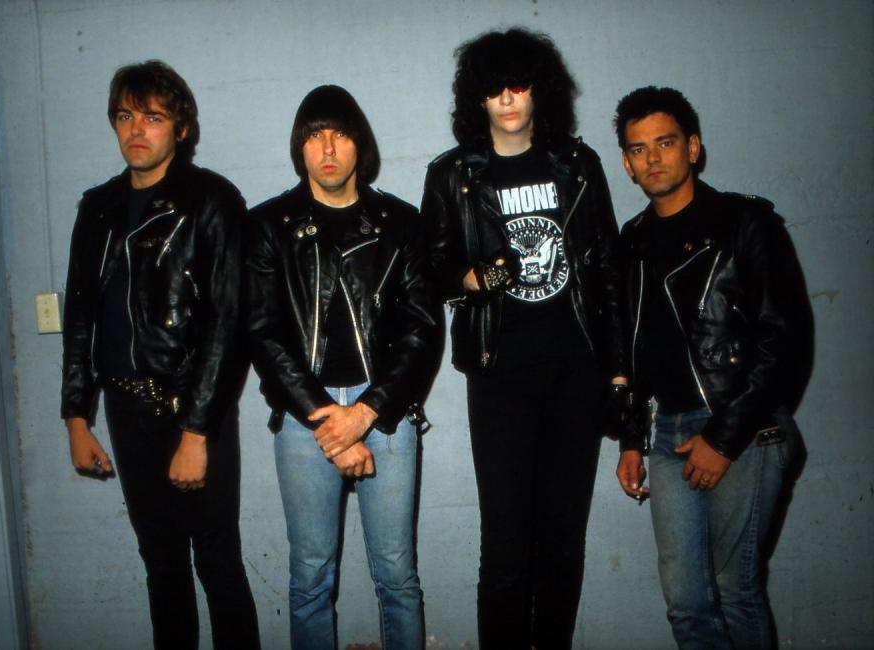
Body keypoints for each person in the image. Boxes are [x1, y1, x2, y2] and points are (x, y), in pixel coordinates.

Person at [420, 28, 629, 649]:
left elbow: (609, 275)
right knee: (507, 544)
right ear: (476, 99)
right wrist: (472, 276)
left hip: (577, 375)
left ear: (540, 90)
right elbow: (426, 272)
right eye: (494, 88)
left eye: (519, 84)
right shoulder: (453, 174)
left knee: (563, 541)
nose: (508, 98)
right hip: (500, 375)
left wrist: (618, 376)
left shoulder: (578, 164)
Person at [60, 60, 259, 649]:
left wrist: (196, 432)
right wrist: (76, 417)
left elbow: (229, 324)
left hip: (195, 410)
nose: (136, 130)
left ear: (182, 128)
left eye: (153, 116)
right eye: (125, 116)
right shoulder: (95, 208)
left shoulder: (214, 200)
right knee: (161, 566)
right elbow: (79, 319)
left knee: (218, 564)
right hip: (125, 411)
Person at [613, 85, 811, 650]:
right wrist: (630, 437)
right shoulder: (633, 242)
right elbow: (631, 350)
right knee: (685, 604)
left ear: (693, 148)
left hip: (742, 429)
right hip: (665, 432)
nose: (653, 157)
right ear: (627, 163)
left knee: (735, 590)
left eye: (666, 142)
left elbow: (784, 342)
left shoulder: (745, 224)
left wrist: (722, 439)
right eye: (638, 148)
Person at [246, 84, 440, 650]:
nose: (327, 146)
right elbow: (262, 333)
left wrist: (367, 413)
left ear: (361, 144)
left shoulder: (401, 223)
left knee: (397, 575)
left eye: (340, 132)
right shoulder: (268, 226)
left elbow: (421, 330)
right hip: (305, 417)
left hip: (387, 414)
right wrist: (329, 419)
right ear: (298, 147)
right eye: (313, 135)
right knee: (310, 577)